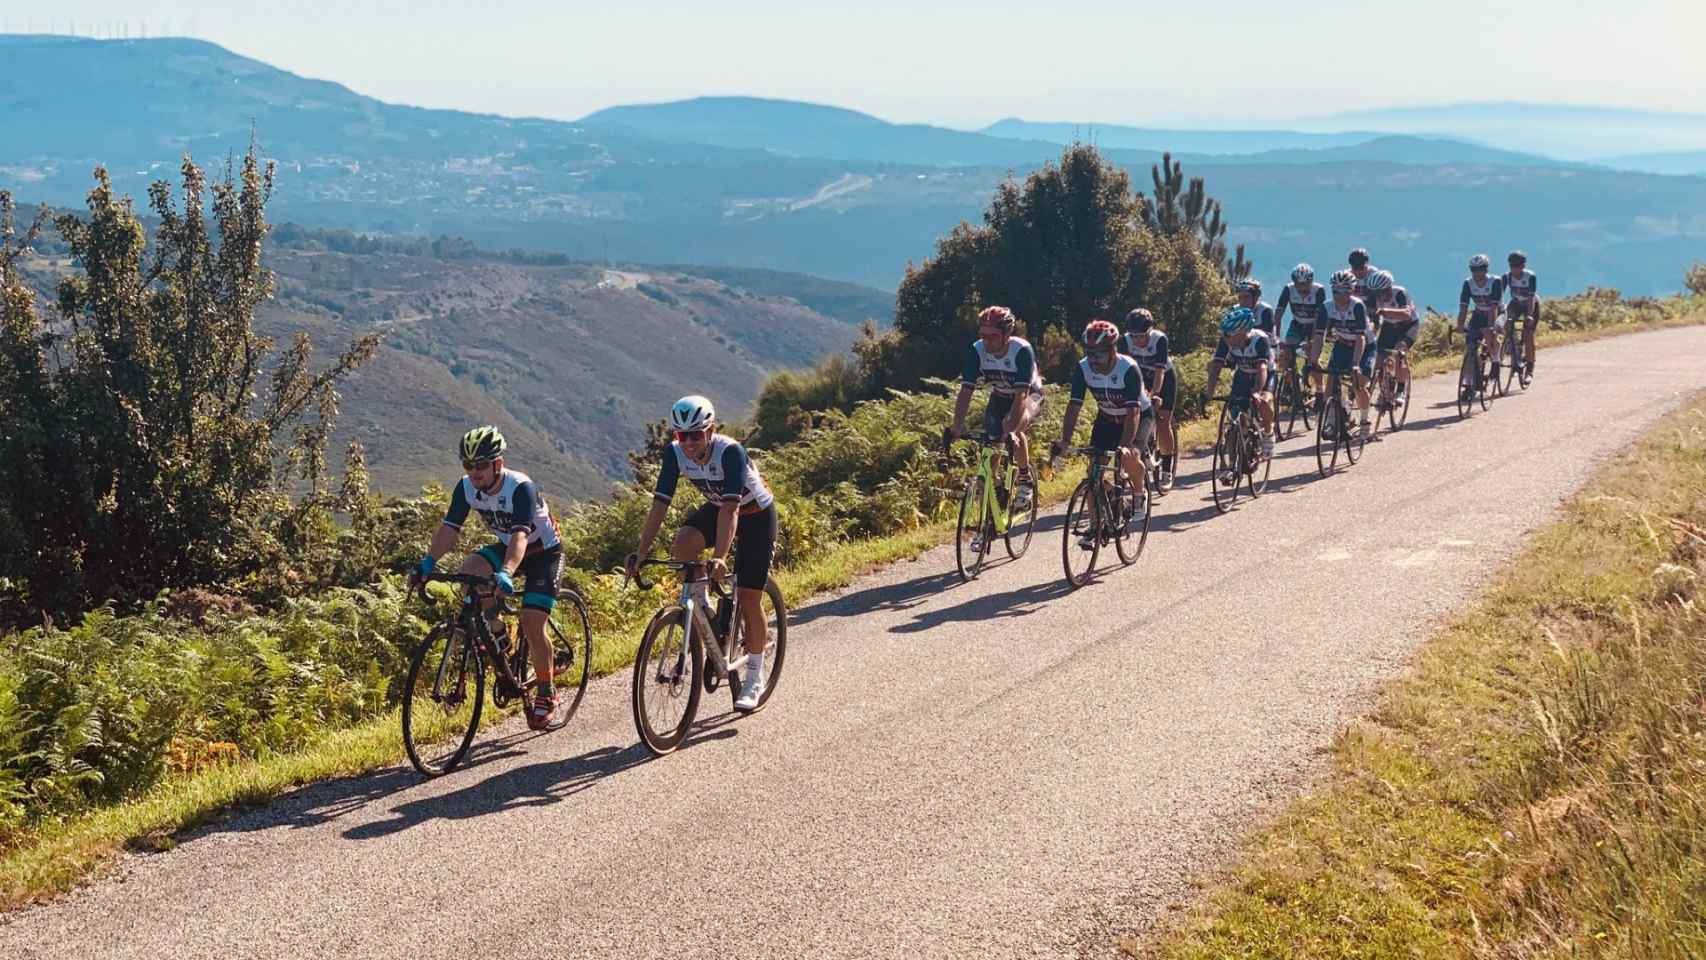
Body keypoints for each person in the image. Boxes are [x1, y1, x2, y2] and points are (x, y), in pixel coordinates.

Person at [625, 395, 778, 711]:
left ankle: (754, 676)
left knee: (750, 597)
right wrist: (640, 553)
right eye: (683, 436)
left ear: (712, 430)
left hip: (754, 513)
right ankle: (705, 610)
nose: (690, 442)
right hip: (719, 506)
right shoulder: (675, 454)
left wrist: (720, 556)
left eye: (696, 434)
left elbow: (731, 511)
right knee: (683, 542)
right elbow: (659, 506)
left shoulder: (730, 453)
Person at [411, 427, 566, 730]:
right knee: (471, 569)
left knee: (532, 621)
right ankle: (498, 633)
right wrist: (428, 562)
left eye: (481, 465)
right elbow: (449, 528)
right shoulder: (466, 487)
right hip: (508, 547)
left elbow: (521, 535)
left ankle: (547, 692)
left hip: (543, 552)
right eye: (468, 466)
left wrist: (506, 572)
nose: (474, 472)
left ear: (498, 463)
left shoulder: (521, 487)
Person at [1052, 319, 1154, 545]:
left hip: (1137, 417)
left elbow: (1134, 411)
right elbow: (1074, 405)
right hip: (1107, 419)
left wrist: (1127, 445)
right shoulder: (1083, 368)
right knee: (1093, 473)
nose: (1093, 359)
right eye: (1089, 353)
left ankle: (1139, 493)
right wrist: (1065, 440)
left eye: (1098, 354)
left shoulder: (1127, 368)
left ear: (1112, 350)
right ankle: (1096, 525)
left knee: (1130, 458)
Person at [948, 305, 1044, 512]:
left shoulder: (1022, 350)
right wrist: (957, 426)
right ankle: (989, 506)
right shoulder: (978, 350)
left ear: (1006, 334)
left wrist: (1009, 429)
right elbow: (966, 391)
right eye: (982, 335)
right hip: (1000, 395)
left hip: (1029, 395)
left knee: (1012, 427)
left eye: (992, 336)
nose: (986, 341)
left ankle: (1025, 477)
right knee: (991, 447)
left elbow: (1021, 396)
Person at [1203, 306, 1277, 476]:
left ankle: (1268, 433)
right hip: (1243, 374)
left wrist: (1257, 392)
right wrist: (1209, 393)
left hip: (1265, 375)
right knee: (1235, 413)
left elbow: (1262, 368)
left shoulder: (1260, 340)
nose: (1225, 338)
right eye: (1225, 334)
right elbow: (1216, 367)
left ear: (1243, 332)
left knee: (1265, 401)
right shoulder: (1226, 341)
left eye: (1229, 334)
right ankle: (1238, 449)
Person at [1121, 308, 1176, 491]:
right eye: (1134, 336)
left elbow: (1160, 373)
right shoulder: (1125, 341)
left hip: (1164, 378)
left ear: (1150, 331)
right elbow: (1125, 372)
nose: (1138, 341)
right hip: (1141, 377)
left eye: (1141, 336)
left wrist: (1155, 394)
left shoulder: (1159, 339)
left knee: (1162, 422)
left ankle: (1167, 470)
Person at [1321, 270, 1376, 440]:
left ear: (1352, 290)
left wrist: (1355, 363)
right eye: (1336, 291)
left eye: (1344, 290)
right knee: (1330, 379)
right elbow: (1318, 336)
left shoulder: (1357, 306)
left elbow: (1361, 338)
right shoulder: (1327, 307)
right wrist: (1314, 360)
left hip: (1365, 346)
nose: (1340, 295)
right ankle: (1331, 420)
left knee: (1359, 384)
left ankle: (1365, 421)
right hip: (1343, 344)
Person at [1367, 270, 1420, 408]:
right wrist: (1371, 334)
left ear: (1389, 288)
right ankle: (1385, 392)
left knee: (1399, 353)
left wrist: (1385, 311)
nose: (1380, 296)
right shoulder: (1374, 297)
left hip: (1408, 326)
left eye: (1382, 292)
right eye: (1376, 293)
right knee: (1378, 361)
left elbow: (1407, 314)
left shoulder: (1400, 293)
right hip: (1389, 326)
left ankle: (1401, 390)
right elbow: (1375, 320)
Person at [1275, 263, 1328, 400]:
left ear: (1311, 282)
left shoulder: (1318, 290)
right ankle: (1290, 384)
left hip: (1314, 326)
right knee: (1287, 353)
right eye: (1300, 285)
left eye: (1306, 285)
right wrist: (1275, 336)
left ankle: (1320, 392)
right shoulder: (1288, 289)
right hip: (1297, 324)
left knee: (1312, 357)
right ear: (1294, 283)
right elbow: (1279, 313)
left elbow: (1318, 319)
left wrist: (1312, 341)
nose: (1303, 289)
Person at [1456, 254, 1505, 396]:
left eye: (1481, 269)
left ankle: (1495, 361)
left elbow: (1494, 307)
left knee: (1490, 333)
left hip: (1498, 312)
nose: (1477, 273)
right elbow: (1463, 307)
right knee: (1470, 347)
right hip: (1479, 314)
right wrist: (1460, 325)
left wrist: (1490, 327)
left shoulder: (1495, 281)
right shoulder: (1468, 283)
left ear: (1486, 269)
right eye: (1474, 269)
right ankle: (1470, 385)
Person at [1503, 250, 1540, 377]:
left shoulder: (1530, 276)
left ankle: (1530, 368)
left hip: (1531, 305)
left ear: (1524, 266)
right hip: (1516, 303)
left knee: (1529, 334)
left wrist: (1529, 315)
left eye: (1518, 266)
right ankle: (1512, 344)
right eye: (1513, 266)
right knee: (1505, 320)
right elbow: (1498, 297)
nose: (1516, 269)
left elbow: (1530, 298)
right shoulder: (1506, 277)